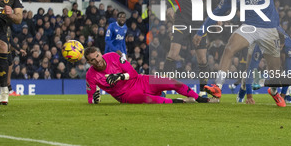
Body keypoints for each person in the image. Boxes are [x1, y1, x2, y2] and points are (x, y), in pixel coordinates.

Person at [193, 0, 291, 104]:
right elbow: (216, 13)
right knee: (229, 48)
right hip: (250, 26)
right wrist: (201, 31)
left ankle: (273, 91)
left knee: (274, 75)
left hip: (269, 29)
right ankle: (218, 87)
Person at [162, 0, 217, 97]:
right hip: (182, 19)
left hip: (199, 22)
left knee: (202, 58)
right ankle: (161, 89)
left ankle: (204, 91)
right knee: (173, 54)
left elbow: (214, 2)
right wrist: (170, 8)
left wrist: (217, 17)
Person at [84, 46, 219, 104]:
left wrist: (119, 76)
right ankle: (179, 101)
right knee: (149, 100)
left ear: (100, 53)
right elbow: (91, 98)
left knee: (171, 82)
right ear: (89, 63)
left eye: (97, 56)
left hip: (140, 81)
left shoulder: (113, 56)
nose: (97, 60)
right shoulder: (91, 76)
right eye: (93, 60)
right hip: (125, 95)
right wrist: (96, 100)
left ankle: (199, 99)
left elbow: (133, 73)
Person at [237, 27, 291, 106]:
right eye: (276, 47)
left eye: (280, 47)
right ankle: (241, 94)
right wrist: (249, 95)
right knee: (249, 70)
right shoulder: (261, 44)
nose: (278, 50)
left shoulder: (289, 47)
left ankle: (279, 93)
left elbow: (289, 72)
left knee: (278, 71)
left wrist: (282, 95)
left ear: (283, 45)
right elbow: (251, 70)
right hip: (256, 40)